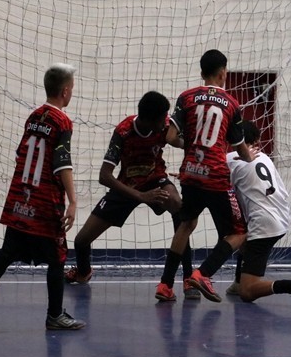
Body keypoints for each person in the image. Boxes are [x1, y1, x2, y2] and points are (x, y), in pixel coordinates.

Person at [0, 63, 85, 331]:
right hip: (45, 199)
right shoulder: (62, 122)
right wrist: (73, 200)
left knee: (9, 250)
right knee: (57, 255)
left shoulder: (34, 117)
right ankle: (55, 315)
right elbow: (62, 163)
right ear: (66, 91)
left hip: (21, 195)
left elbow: (21, 152)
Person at [66, 91, 198, 298]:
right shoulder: (124, 131)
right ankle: (83, 272)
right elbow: (104, 176)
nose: (166, 121)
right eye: (162, 118)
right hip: (128, 186)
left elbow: (185, 143)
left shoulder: (165, 128)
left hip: (156, 179)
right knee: (81, 241)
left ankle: (188, 278)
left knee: (178, 206)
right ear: (149, 120)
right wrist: (140, 196)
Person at [156, 49, 255, 302]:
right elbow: (240, 148)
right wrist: (250, 157)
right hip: (216, 177)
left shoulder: (186, 97)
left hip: (190, 173)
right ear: (223, 74)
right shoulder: (231, 103)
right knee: (239, 232)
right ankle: (202, 274)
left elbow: (170, 137)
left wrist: (190, 146)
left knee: (186, 224)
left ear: (202, 73)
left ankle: (165, 285)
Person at [225, 121, 291, 308]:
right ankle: (238, 282)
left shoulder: (231, 159)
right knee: (244, 239)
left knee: (247, 292)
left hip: (264, 222)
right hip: (281, 216)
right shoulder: (264, 157)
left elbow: (213, 179)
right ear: (256, 140)